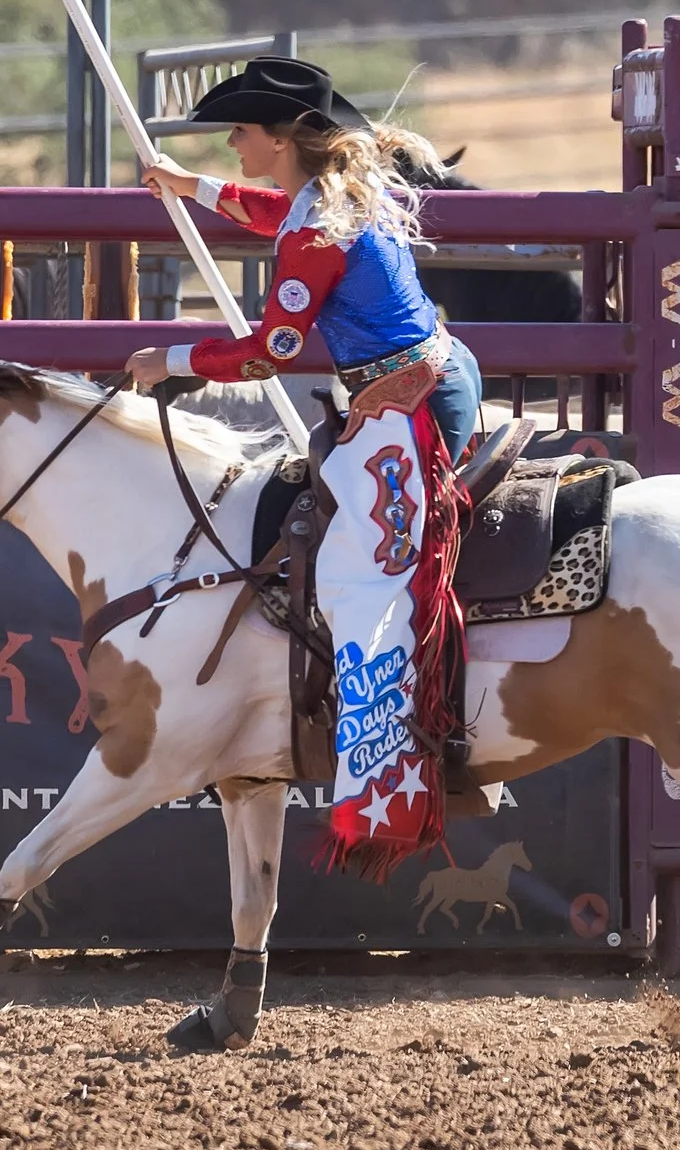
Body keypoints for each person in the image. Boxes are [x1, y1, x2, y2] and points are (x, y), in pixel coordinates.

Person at [125, 57, 480, 874]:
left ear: (282, 139)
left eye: (241, 133)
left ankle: (408, 755)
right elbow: (270, 214)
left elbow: (270, 351)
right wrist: (194, 186)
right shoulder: (329, 201)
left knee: (366, 583)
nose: (232, 144)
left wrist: (170, 357)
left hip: (405, 405)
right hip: (418, 381)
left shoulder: (319, 224)